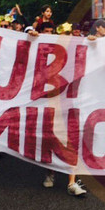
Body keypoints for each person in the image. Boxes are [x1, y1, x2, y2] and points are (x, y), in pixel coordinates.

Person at [36, 25, 87, 197]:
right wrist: (32, 36)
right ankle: (50, 172)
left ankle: (71, 182)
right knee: (51, 138)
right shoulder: (51, 55)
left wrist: (95, 42)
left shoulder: (80, 53)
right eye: (64, 36)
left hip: (73, 103)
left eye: (70, 35)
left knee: (73, 139)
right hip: (53, 102)